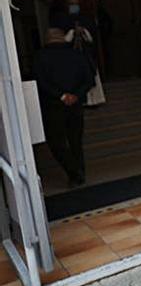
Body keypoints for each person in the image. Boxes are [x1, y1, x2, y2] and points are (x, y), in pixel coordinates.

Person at [33, 28, 94, 187]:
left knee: (56, 142)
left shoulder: (40, 57)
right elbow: (89, 79)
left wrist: (61, 95)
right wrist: (76, 95)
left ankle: (74, 172)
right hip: (75, 104)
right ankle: (79, 172)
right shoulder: (77, 55)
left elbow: (40, 82)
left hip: (53, 105)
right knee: (75, 141)